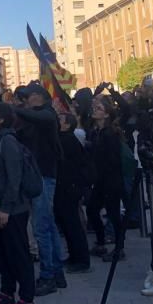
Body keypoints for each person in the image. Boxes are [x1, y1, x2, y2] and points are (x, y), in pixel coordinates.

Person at [0, 103, 35, 304]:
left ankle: (27, 300)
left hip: (12, 209)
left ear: (1, 119)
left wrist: (6, 208)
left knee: (18, 254)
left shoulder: (8, 141)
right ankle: (6, 293)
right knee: (3, 253)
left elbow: (15, 178)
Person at [12, 84, 66, 295]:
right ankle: (56, 271)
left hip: (43, 176)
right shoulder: (35, 118)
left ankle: (47, 276)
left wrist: (14, 109)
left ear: (38, 97)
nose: (26, 101)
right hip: (41, 175)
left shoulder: (47, 115)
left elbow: (41, 119)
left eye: (29, 97)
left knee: (41, 227)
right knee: (48, 226)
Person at [86, 95, 126, 262]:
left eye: (99, 109)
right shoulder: (96, 132)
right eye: (95, 108)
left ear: (107, 114)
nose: (95, 111)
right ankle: (101, 242)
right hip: (100, 179)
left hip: (110, 180)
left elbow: (111, 159)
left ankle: (119, 248)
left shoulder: (110, 133)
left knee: (113, 214)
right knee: (92, 209)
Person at [54, 112, 92, 274]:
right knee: (67, 224)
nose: (57, 121)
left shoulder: (67, 140)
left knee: (72, 224)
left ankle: (81, 259)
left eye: (60, 119)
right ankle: (74, 256)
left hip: (70, 187)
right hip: (66, 186)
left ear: (67, 125)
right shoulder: (64, 139)